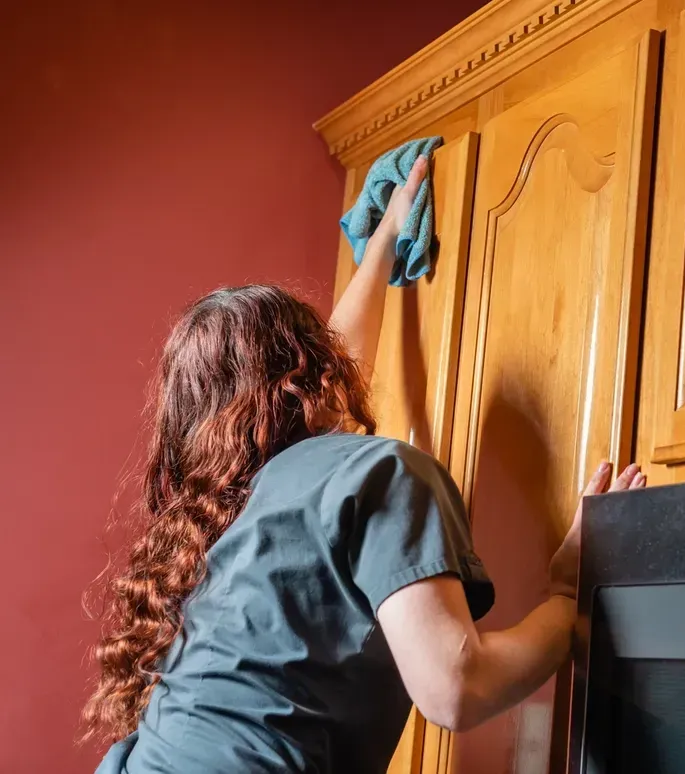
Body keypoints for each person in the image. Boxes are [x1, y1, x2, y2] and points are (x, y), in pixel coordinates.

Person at [83, 156, 646, 773]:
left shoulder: (215, 515)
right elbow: (456, 687)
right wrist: (567, 596)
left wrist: (382, 245)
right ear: (315, 373)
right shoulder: (373, 474)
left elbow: (331, 390)